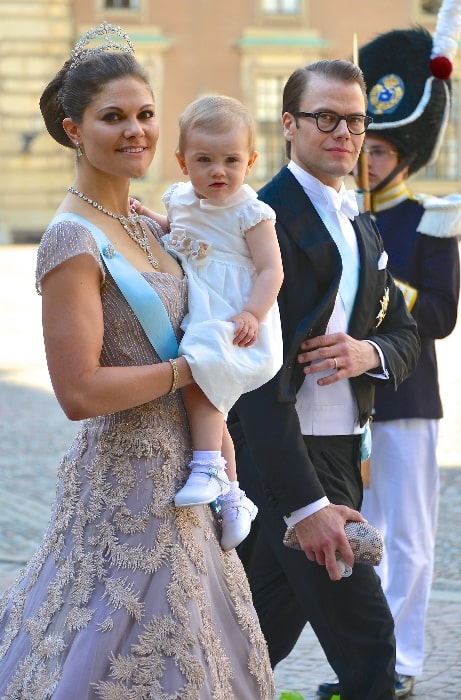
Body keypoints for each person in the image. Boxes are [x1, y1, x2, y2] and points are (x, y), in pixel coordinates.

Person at [0, 22, 275, 699]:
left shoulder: (150, 223)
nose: (137, 131)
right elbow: (80, 392)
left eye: (146, 115)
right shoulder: (72, 239)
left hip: (190, 477)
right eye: (113, 117)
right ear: (73, 129)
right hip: (126, 486)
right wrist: (194, 369)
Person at [227, 58, 421, 700]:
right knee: (369, 648)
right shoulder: (262, 221)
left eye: (357, 120)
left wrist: (368, 352)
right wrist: (305, 504)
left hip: (342, 452)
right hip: (288, 465)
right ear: (289, 124)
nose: (345, 132)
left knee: (251, 640)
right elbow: (253, 380)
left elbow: (408, 336)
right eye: (326, 117)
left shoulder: (360, 220)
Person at [355, 26, 460, 700]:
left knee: (409, 539)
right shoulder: (341, 214)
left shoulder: (429, 219)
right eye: (362, 147)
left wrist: (380, 283)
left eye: (381, 149)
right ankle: (362, 654)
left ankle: (403, 660)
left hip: (406, 397)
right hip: (341, 398)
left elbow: (442, 316)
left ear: (405, 155)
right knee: (354, 537)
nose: (366, 160)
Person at [131, 95, 284, 552]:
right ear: (182, 162)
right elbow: (182, 238)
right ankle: (234, 496)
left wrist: (253, 314)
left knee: (201, 371)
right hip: (202, 307)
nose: (219, 170)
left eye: (231, 160)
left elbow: (272, 270)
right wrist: (151, 221)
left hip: (235, 314)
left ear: (251, 161)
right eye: (205, 160)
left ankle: (207, 466)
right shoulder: (180, 199)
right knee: (208, 393)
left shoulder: (250, 210)